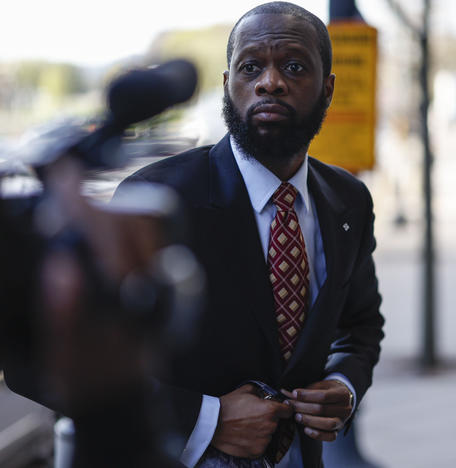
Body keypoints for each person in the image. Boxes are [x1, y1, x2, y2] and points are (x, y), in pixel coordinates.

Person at [116, 2, 384, 467]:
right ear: (228, 85)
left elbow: (359, 327)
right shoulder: (154, 199)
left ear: (328, 88)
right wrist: (206, 418)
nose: (270, 82)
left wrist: (343, 386)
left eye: (295, 67)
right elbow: (68, 361)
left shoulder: (349, 200)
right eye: (251, 67)